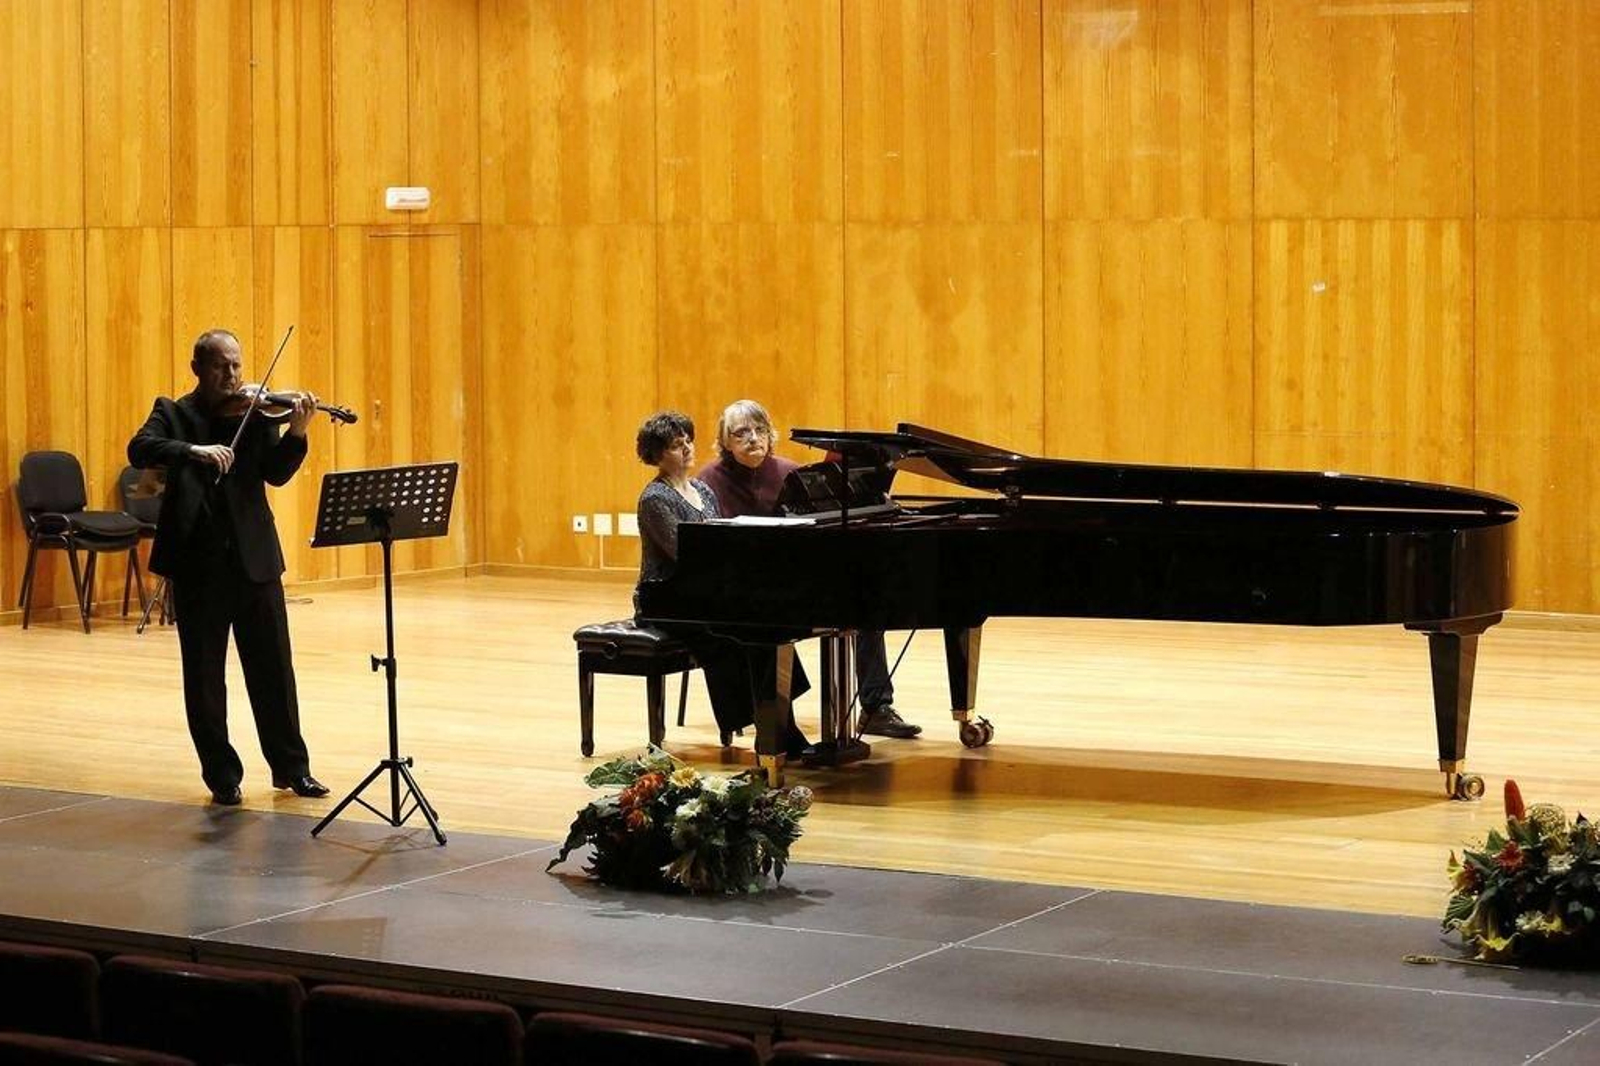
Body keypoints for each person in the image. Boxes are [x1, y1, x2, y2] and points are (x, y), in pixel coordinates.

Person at [127, 329, 329, 806]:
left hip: (255, 560)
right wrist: (193, 451)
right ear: (198, 368)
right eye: (221, 366)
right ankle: (222, 776)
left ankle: (292, 769)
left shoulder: (256, 413)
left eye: (236, 365)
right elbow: (140, 448)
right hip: (198, 566)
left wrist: (297, 433)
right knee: (204, 677)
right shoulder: (175, 413)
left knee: (274, 670)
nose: (232, 375)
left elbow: (275, 473)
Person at [698, 400, 922, 739]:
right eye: (741, 432)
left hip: (798, 578)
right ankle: (773, 719)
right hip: (744, 588)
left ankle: (875, 707)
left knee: (868, 604)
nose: (753, 438)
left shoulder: (791, 473)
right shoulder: (708, 481)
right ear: (725, 442)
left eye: (759, 430)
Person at [633, 410, 812, 758]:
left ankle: (778, 728)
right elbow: (685, 554)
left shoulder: (701, 489)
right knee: (735, 635)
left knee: (767, 628)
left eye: (688, 441)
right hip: (665, 597)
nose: (687, 448)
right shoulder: (655, 498)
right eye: (676, 445)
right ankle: (772, 729)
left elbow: (716, 547)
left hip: (699, 590)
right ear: (657, 455)